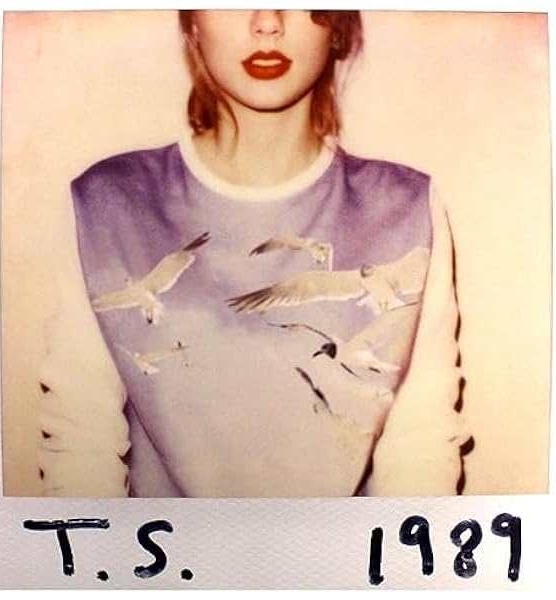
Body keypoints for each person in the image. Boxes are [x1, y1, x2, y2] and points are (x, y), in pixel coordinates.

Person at [37, 10, 469, 498]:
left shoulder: (405, 210)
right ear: (191, 22)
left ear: (337, 25)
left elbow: (419, 451)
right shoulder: (106, 206)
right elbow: (80, 447)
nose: (267, 22)